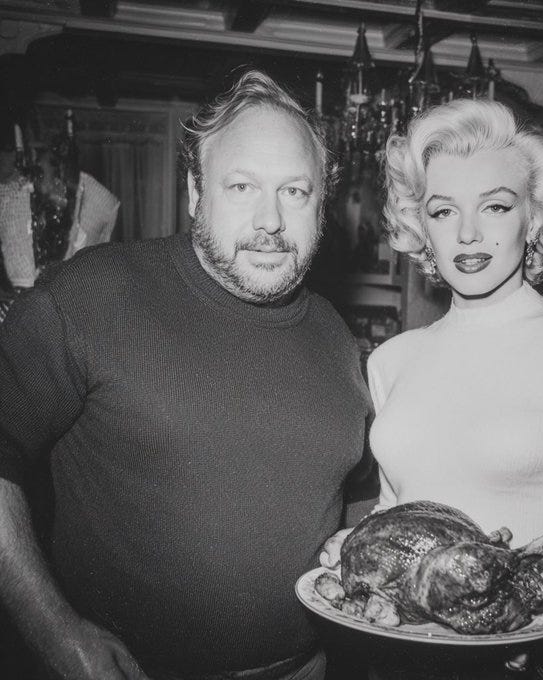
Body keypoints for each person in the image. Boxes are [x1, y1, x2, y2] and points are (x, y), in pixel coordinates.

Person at [0, 68, 372, 680]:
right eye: (242, 186)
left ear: (321, 204)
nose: (271, 220)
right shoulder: (89, 296)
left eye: (295, 191)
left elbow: (359, 487)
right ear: (196, 193)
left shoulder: (338, 337)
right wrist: (52, 628)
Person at [321, 99, 543, 679]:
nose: (467, 233)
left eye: (495, 206)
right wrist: (357, 546)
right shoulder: (392, 359)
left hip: (525, 665)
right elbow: (402, 510)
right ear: (421, 226)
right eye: (443, 211)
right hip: (402, 655)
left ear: (533, 218)